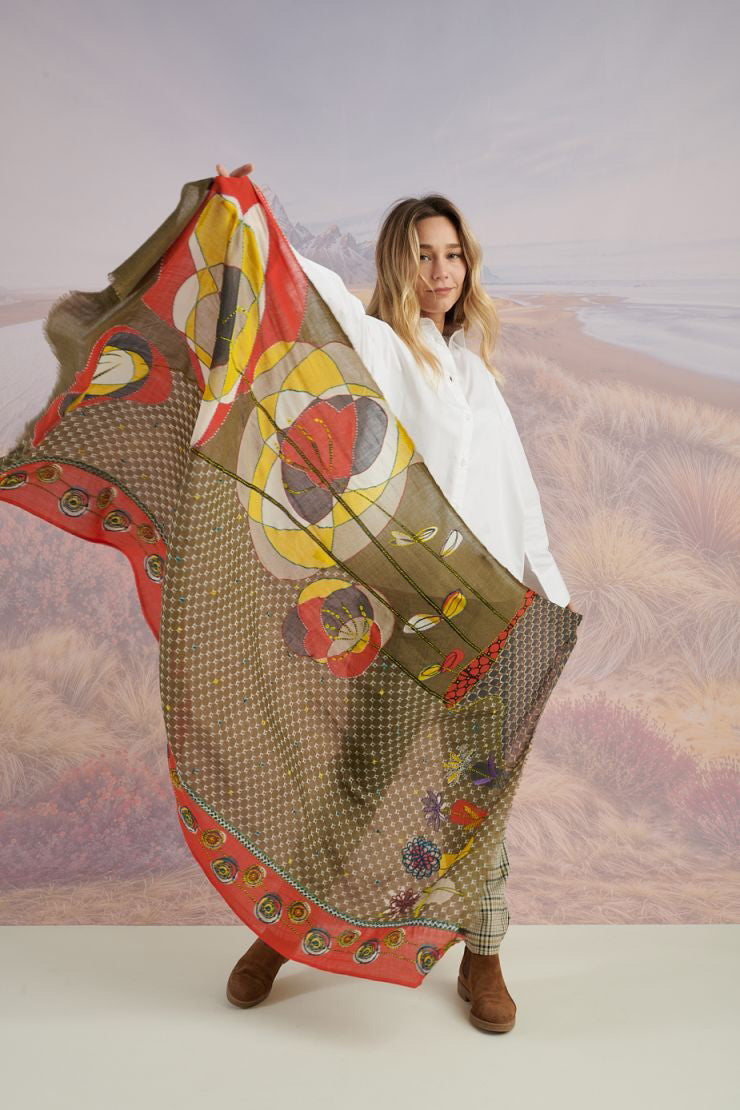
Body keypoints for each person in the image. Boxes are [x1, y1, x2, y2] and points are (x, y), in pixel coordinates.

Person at [217, 161, 575, 1033]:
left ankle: (482, 957)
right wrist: (256, 221)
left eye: (453, 254)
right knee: (358, 785)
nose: (442, 270)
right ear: (399, 264)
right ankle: (282, 933)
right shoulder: (382, 348)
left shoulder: (478, 376)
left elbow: (519, 498)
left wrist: (553, 599)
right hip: (405, 611)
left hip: (493, 616)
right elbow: (320, 297)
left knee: (478, 793)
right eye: (424, 254)